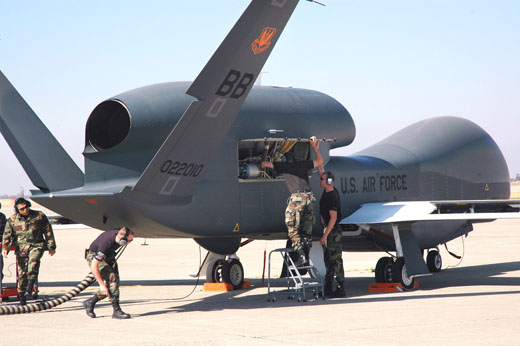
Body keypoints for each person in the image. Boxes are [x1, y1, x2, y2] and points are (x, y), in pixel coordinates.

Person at [261, 137, 323, 267]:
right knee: (307, 230)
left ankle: (300, 256)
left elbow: (264, 164)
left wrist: (266, 147)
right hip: (310, 198)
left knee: (293, 228)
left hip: (298, 198)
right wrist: (315, 147)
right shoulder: (303, 164)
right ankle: (305, 257)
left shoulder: (284, 167)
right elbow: (319, 161)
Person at [2, 197, 56, 305]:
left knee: (34, 262)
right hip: (21, 247)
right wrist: (5, 248)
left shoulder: (39, 216)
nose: (25, 210)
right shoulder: (13, 220)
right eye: (22, 209)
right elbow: (7, 235)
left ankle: (30, 286)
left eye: (27, 207)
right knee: (21, 273)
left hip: (37, 245)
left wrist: (51, 247)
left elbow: (48, 231)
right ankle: (22, 298)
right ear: (18, 210)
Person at [83, 227, 135, 319]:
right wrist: (101, 285)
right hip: (94, 256)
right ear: (122, 240)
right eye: (130, 241)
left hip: (109, 256)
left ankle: (91, 302)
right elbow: (94, 266)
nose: (130, 243)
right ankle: (116, 310)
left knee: (114, 284)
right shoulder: (105, 245)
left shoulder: (119, 234)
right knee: (112, 281)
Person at [318, 170, 345, 298]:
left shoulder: (332, 196)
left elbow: (333, 218)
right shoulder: (327, 192)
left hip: (332, 232)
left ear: (329, 182)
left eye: (322, 179)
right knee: (328, 261)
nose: (320, 181)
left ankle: (340, 288)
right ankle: (328, 287)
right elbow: (322, 170)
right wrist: (316, 151)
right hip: (329, 231)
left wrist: (325, 235)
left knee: (336, 261)